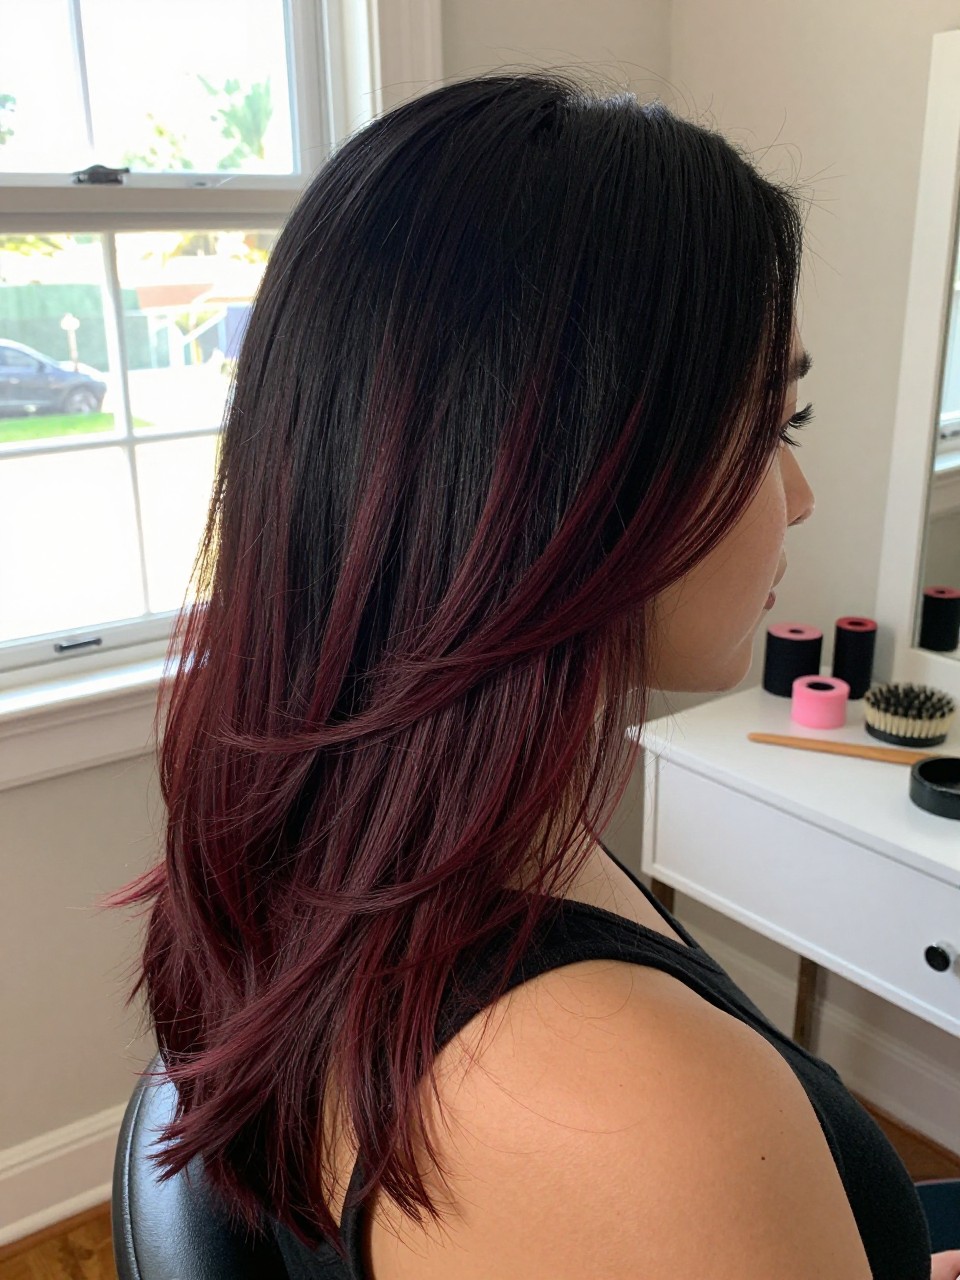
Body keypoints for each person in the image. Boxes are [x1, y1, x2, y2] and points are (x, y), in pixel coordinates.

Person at [105, 72, 957, 1280]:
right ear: (579, 486)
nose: (801, 498)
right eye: (774, 428)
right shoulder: (636, 1111)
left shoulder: (365, 826)